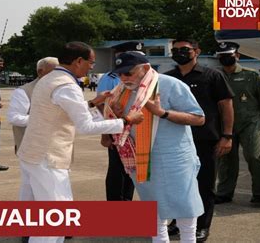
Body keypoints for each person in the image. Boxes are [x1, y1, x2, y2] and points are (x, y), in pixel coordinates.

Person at [17, 42, 131, 243]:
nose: (91, 68)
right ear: (79, 61)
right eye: (91, 62)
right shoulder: (67, 85)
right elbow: (84, 126)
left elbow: (61, 112)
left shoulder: (50, 78)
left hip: (35, 154)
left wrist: (95, 105)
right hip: (48, 157)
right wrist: (124, 122)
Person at [109, 51, 205, 243]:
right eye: (119, 74)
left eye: (128, 73)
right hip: (142, 160)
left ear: (145, 68)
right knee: (154, 213)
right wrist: (115, 114)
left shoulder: (171, 85)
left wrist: (162, 113)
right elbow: (120, 125)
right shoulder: (121, 91)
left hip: (174, 159)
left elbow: (199, 118)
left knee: (186, 209)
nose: (123, 78)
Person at [165, 38, 234, 242]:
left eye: (185, 49)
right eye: (175, 50)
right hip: (175, 142)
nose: (180, 53)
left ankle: (202, 226)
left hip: (205, 139)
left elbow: (226, 106)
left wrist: (227, 136)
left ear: (196, 51)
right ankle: (178, 223)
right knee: (178, 185)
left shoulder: (212, 76)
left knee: (204, 185)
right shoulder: (168, 78)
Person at [215, 42, 260, 206]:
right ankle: (224, 193)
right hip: (225, 125)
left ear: (237, 56)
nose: (226, 58)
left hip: (250, 123)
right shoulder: (216, 76)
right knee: (226, 161)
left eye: (229, 55)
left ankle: (259, 193)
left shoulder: (252, 76)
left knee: (253, 157)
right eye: (222, 56)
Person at [97, 41, 144, 202]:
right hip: (117, 131)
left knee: (131, 171)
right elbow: (103, 106)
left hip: (137, 132)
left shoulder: (144, 77)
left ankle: (127, 203)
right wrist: (107, 133)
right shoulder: (111, 77)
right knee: (117, 171)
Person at [7, 57, 59, 202]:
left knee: (42, 187)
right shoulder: (24, 91)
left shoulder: (58, 89)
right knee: (34, 186)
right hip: (32, 148)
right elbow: (14, 117)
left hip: (54, 147)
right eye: (54, 71)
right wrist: (42, 119)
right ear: (40, 72)